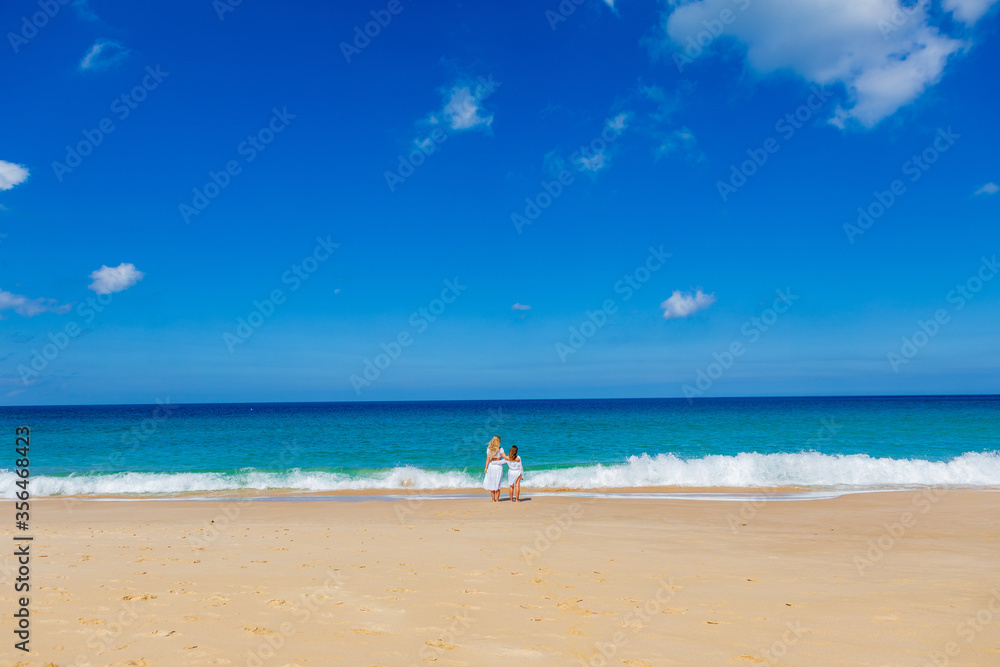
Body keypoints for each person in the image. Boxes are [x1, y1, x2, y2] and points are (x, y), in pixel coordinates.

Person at [482, 436, 506, 502]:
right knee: (497, 483)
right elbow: (505, 457)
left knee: (492, 483)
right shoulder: (500, 449)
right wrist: (511, 458)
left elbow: (487, 459)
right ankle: (497, 500)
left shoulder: (489, 449)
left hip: (491, 466)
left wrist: (486, 468)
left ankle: (493, 500)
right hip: (498, 467)